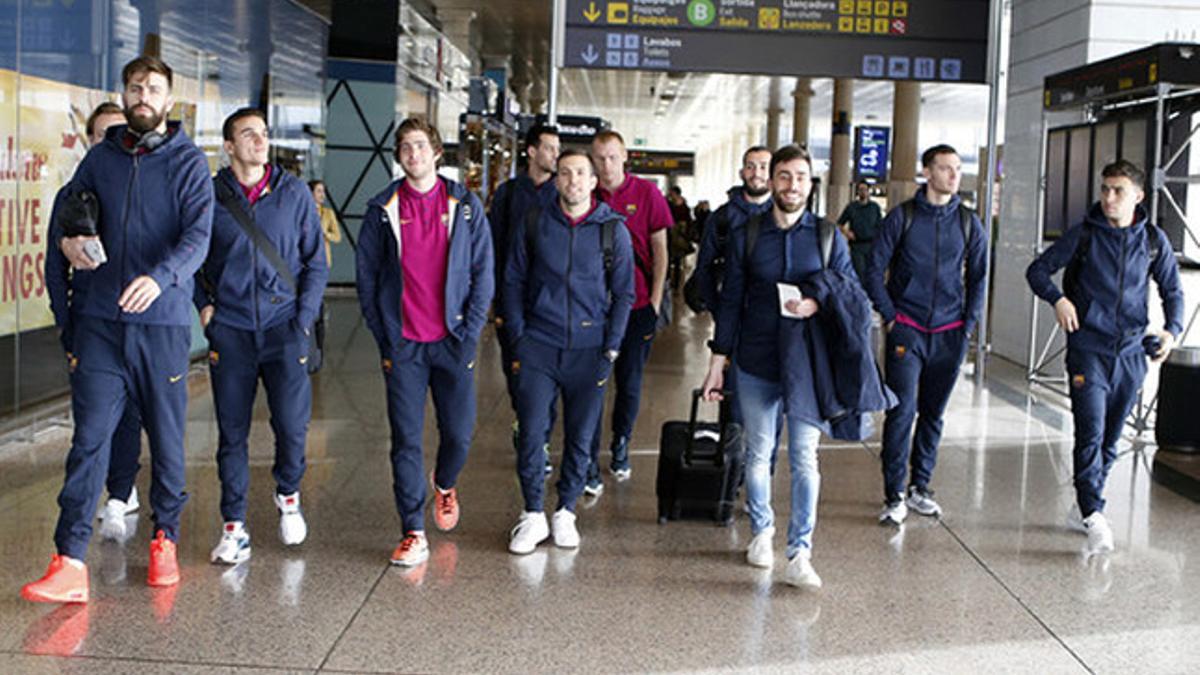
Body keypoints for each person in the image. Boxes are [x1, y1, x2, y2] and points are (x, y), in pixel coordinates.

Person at [23, 56, 213, 603]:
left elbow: (199, 237)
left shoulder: (188, 163)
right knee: (89, 441)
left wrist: (164, 277)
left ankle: (165, 540)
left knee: (168, 440)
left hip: (161, 323)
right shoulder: (100, 159)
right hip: (102, 322)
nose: (143, 96)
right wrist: (68, 242)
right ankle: (70, 559)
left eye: (154, 88)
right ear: (124, 94)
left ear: (168, 99)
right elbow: (70, 213)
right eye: (136, 87)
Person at [699, 144, 855, 588]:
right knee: (757, 452)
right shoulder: (748, 235)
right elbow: (731, 301)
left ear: (811, 183)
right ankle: (762, 531)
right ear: (772, 181)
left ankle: (800, 550)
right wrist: (718, 359)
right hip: (756, 357)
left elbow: (848, 292)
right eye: (783, 176)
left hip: (807, 364)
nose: (791, 185)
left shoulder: (826, 237)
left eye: (800, 177)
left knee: (806, 458)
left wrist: (815, 300)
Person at [356, 117, 494, 567]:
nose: (412, 154)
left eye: (420, 145)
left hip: (452, 340)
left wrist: (470, 331)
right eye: (405, 147)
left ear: (436, 152)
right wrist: (385, 335)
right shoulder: (382, 208)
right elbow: (367, 276)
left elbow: (482, 274)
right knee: (406, 439)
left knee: (458, 433)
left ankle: (446, 482)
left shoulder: (465, 205)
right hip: (405, 345)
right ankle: (413, 530)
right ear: (398, 156)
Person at [1026, 159, 1183, 553]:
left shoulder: (1153, 241)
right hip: (1088, 349)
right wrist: (1058, 299)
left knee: (1112, 438)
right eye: (1105, 190)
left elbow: (1173, 292)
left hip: (1131, 353)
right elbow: (1038, 271)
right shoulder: (1083, 236)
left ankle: (1086, 499)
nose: (1109, 198)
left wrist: (1171, 331)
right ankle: (1095, 513)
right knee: (1091, 431)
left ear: (1138, 196)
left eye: (1118, 191)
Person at [196, 108, 328, 564]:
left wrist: (303, 319)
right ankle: (233, 527)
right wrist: (204, 307)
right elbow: (190, 253)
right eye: (247, 134)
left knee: (291, 427)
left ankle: (287, 493)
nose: (259, 140)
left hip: (283, 327)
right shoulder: (210, 196)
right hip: (230, 330)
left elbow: (316, 261)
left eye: (264, 134)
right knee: (231, 433)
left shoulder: (292, 194)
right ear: (229, 146)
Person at [503, 149, 635, 554]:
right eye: (565, 173)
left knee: (581, 436)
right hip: (539, 347)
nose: (573, 180)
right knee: (531, 432)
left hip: (590, 349)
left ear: (594, 181)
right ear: (556, 180)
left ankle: (565, 511)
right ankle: (531, 514)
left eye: (581, 173)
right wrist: (519, 339)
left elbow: (625, 293)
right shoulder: (534, 222)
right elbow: (512, 281)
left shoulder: (613, 231)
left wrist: (611, 348)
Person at [863, 144, 987, 526]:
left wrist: (968, 325)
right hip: (908, 329)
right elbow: (873, 269)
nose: (954, 175)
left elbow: (981, 276)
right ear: (927, 172)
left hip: (950, 332)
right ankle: (894, 494)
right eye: (946, 168)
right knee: (902, 412)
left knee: (933, 413)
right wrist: (890, 317)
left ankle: (920, 487)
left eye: (957, 168)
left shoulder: (969, 223)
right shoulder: (902, 218)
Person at [45, 102, 146, 544]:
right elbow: (54, 269)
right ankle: (76, 530)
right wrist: (67, 329)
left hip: (140, 328)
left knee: (131, 418)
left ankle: (120, 495)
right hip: (91, 326)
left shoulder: (139, 195)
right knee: (92, 423)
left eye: (118, 135)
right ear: (89, 142)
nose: (111, 144)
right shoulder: (71, 198)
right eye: (102, 135)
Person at [585, 130, 673, 494]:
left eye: (612, 157)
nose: (606, 166)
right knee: (589, 384)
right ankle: (586, 456)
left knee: (629, 381)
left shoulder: (646, 194)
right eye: (600, 158)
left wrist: (653, 302)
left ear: (625, 158)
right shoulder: (584, 191)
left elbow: (660, 250)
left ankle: (621, 441)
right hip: (591, 307)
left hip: (636, 306)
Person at [489, 124, 560, 475]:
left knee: (546, 376)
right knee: (517, 371)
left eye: (556, 149)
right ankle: (525, 423)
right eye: (548, 148)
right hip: (511, 301)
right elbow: (493, 247)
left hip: (550, 304)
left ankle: (540, 441)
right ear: (531, 151)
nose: (554, 155)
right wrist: (493, 299)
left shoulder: (562, 194)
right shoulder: (508, 194)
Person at [689, 145, 773, 430]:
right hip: (735, 323)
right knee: (735, 407)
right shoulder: (723, 217)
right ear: (741, 172)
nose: (756, 173)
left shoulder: (783, 215)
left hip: (775, 322)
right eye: (751, 166)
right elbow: (704, 268)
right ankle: (735, 465)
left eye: (763, 166)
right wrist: (720, 310)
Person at [836, 180, 883, 281]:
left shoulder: (874, 208)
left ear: (868, 191)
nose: (863, 192)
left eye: (865, 190)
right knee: (859, 273)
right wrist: (847, 233)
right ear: (857, 192)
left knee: (871, 274)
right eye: (861, 190)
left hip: (872, 245)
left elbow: (881, 226)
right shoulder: (852, 207)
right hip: (857, 245)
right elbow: (839, 224)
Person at [308, 180, 342, 268]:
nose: (322, 195)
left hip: (323, 260)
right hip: (305, 258)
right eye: (319, 191)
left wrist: (326, 234)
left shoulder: (328, 213)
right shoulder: (303, 212)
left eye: (323, 191)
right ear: (310, 193)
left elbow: (337, 237)